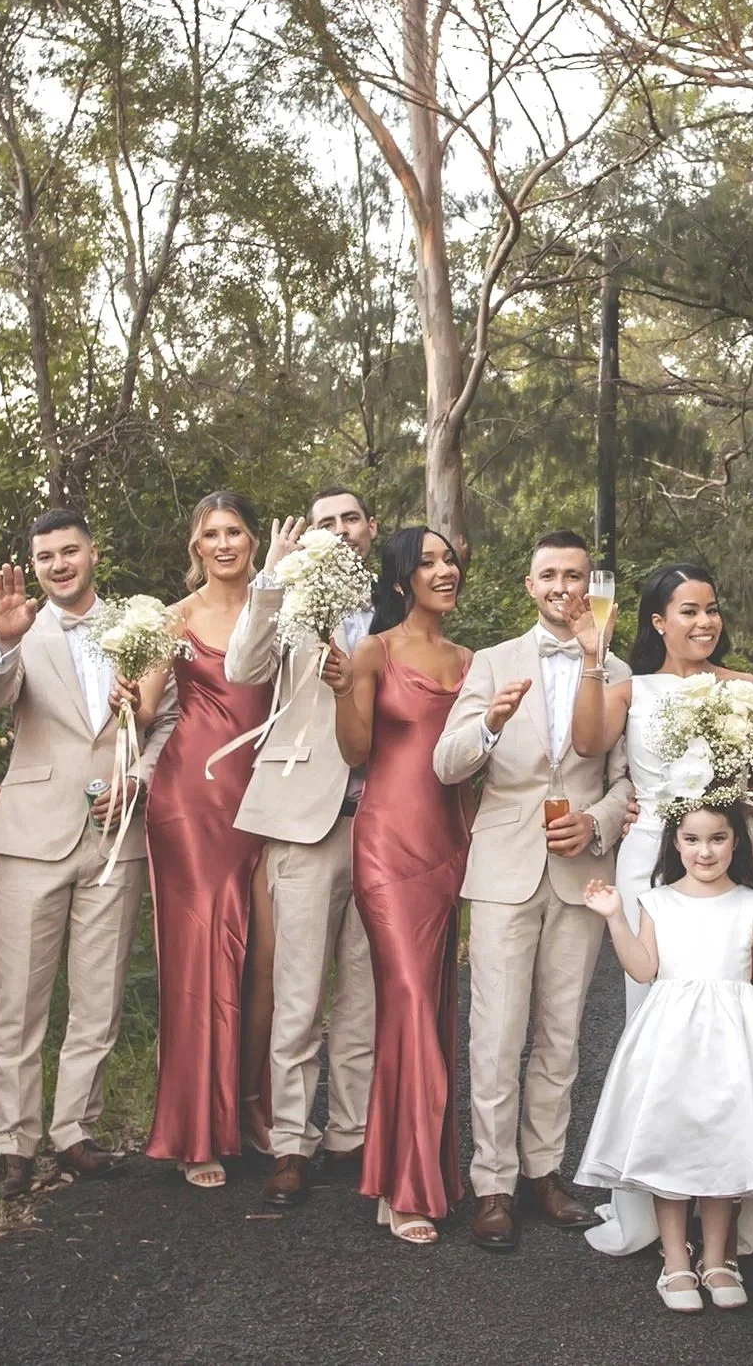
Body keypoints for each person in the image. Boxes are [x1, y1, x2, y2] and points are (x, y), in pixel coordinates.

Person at [567, 561, 753, 1261]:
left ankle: (732, 1189)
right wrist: (593, 657)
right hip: (652, 855)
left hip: (729, 856)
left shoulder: (748, 688)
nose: (705, 622)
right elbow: (588, 742)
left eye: (712, 608)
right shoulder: (630, 688)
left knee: (735, 1025)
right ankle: (657, 1194)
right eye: (688, 610)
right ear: (657, 621)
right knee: (658, 1026)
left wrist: (741, 789)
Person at [0, 510, 180, 1200]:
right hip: (31, 835)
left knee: (98, 998)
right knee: (21, 1000)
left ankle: (74, 1131)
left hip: (115, 837)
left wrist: (138, 781)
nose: (59, 563)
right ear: (34, 566)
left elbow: (168, 722)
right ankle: (13, 1142)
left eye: (69, 550)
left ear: (94, 551)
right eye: (45, 556)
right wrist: (3, 645)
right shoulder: (18, 629)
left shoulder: (142, 624)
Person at [431, 530, 631, 1250]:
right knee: (495, 1030)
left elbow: (625, 782)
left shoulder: (617, 668)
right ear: (528, 583)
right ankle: (492, 1181)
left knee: (560, 1032)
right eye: (548, 573)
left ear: (591, 587)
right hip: (503, 868)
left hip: (578, 871)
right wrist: (488, 719)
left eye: (574, 575)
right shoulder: (490, 662)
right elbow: (446, 763)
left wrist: (597, 824)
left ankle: (544, 1172)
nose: (561, 586)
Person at [576, 802, 753, 1313]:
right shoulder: (658, 902)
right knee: (672, 1145)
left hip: (735, 1043)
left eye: (717, 839)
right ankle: (674, 1261)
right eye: (691, 839)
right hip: (672, 1044)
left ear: (736, 844)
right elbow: (644, 970)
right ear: (675, 844)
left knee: (722, 1148)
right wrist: (615, 917)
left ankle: (717, 1259)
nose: (704, 851)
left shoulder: (751, 904)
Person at [224, 489, 381, 1203]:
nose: (339, 530)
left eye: (350, 519)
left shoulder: (400, 606)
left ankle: (349, 1134)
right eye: (325, 522)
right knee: (297, 992)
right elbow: (242, 670)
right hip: (303, 820)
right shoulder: (288, 604)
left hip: (382, 822)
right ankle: (291, 1139)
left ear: (370, 530)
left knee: (364, 992)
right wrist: (271, 579)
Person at [327, 526, 474, 1245]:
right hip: (386, 843)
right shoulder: (373, 651)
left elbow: (472, 766)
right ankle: (411, 1182)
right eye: (428, 562)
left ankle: (406, 1171)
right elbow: (356, 748)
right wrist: (338, 692)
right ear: (399, 579)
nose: (445, 570)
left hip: (449, 845)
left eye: (449, 559)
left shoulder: (471, 661)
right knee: (412, 1000)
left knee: (433, 1005)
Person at [129, 492, 272, 1187]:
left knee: (265, 962)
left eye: (234, 531)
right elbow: (151, 702)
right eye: (211, 533)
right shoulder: (172, 617)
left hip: (266, 796)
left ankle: (251, 1106)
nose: (223, 543)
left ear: (254, 538)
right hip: (189, 795)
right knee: (202, 954)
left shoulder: (277, 606)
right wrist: (130, 698)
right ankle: (196, 1130)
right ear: (196, 544)